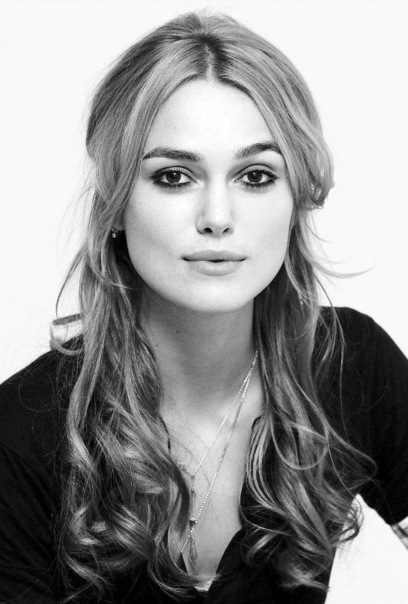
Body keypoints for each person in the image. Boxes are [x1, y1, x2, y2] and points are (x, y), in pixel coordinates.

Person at [0, 10, 407, 604]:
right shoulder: (21, 434)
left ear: (296, 198)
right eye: (173, 176)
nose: (217, 217)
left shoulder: (350, 364)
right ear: (115, 202)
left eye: (256, 176)